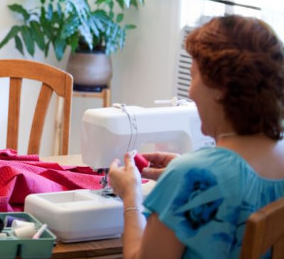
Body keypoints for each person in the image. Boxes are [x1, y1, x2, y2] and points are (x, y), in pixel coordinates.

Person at [108, 15, 284, 258]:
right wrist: (185, 175)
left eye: (193, 76)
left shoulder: (191, 175)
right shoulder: (195, 174)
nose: (190, 90)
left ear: (220, 89)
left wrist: (131, 197)